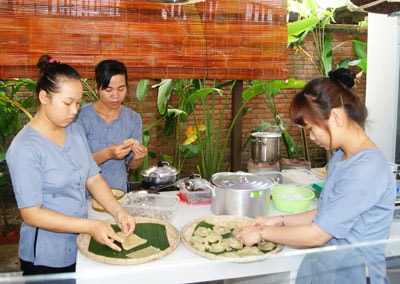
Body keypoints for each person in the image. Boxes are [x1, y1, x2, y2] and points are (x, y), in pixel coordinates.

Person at [236, 68, 396, 283]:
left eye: (311, 128)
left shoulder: (367, 168)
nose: (311, 137)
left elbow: (317, 234)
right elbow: (327, 214)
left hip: (354, 275)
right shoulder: (342, 157)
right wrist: (277, 221)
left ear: (336, 116)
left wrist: (263, 233)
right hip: (331, 269)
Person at [6, 55, 136, 276]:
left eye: (78, 103)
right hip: (46, 255)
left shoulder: (73, 130)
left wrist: (118, 211)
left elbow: (92, 177)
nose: (75, 111)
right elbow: (31, 214)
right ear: (44, 96)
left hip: (78, 243)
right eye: (67, 103)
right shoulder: (25, 148)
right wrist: (90, 226)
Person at [75, 59, 147, 193]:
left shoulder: (133, 119)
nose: (115, 96)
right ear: (97, 88)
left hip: (118, 192)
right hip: (84, 195)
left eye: (121, 89)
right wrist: (107, 153)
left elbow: (132, 166)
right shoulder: (80, 117)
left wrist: (137, 158)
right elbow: (77, 163)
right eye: (108, 90)